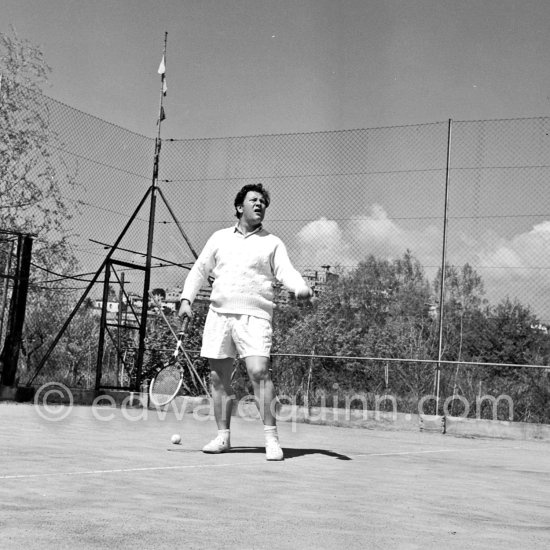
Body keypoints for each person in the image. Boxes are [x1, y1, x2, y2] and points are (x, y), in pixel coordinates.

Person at [178, 183, 312, 461]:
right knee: (218, 378)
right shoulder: (218, 238)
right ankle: (223, 437)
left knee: (259, 372)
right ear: (240, 207)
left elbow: (286, 271)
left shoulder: (272, 242)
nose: (260, 204)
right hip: (219, 315)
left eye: (263, 201)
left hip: (256, 316)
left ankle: (271, 439)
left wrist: (299, 286)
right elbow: (199, 270)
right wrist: (186, 300)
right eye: (254, 200)